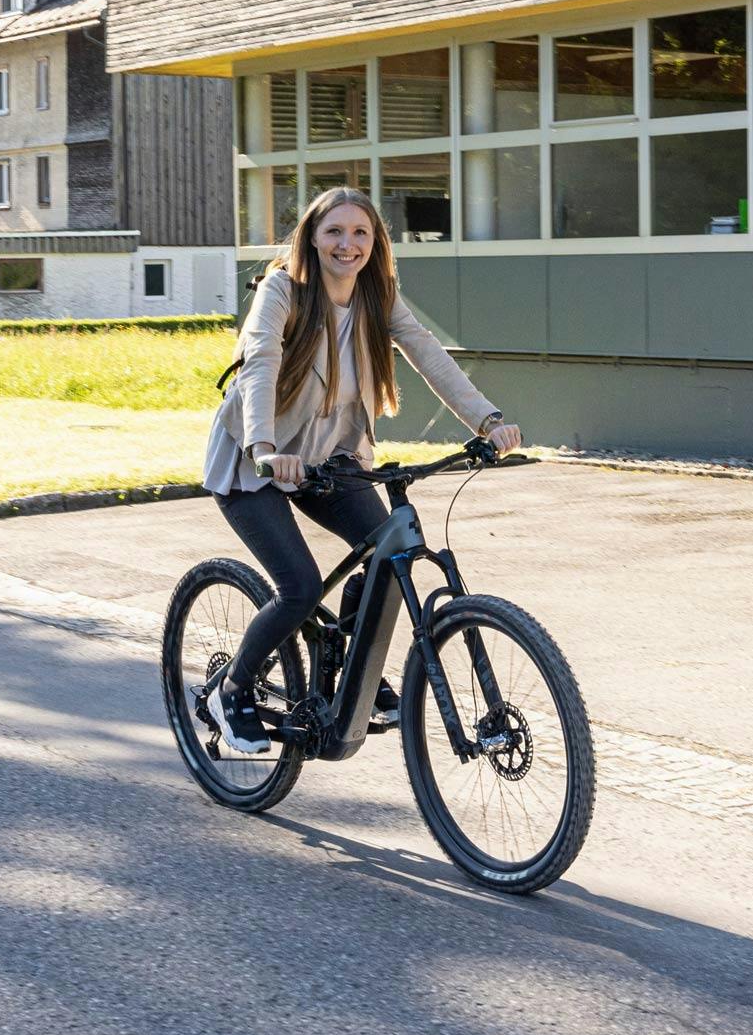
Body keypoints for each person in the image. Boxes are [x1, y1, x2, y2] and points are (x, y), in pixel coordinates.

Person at [199, 187, 521, 756]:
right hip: (256, 461)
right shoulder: (282, 289)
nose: (347, 245)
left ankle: (350, 674)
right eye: (334, 232)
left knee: (387, 555)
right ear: (312, 237)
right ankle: (233, 688)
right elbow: (260, 364)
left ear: (375, 243)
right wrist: (264, 446)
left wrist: (487, 419)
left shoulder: (378, 296)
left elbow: (429, 356)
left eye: (360, 234)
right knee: (297, 586)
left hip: (331, 458)